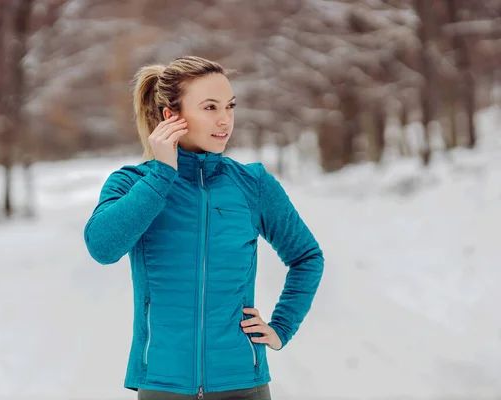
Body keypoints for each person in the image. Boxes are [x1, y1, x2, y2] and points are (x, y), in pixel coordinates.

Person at [83, 55, 324, 400]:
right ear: (172, 117)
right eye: (210, 107)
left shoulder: (251, 184)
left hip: (242, 385)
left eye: (230, 106)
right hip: (162, 386)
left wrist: (281, 328)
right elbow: (102, 248)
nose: (225, 120)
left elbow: (307, 257)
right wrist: (163, 174)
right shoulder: (132, 184)